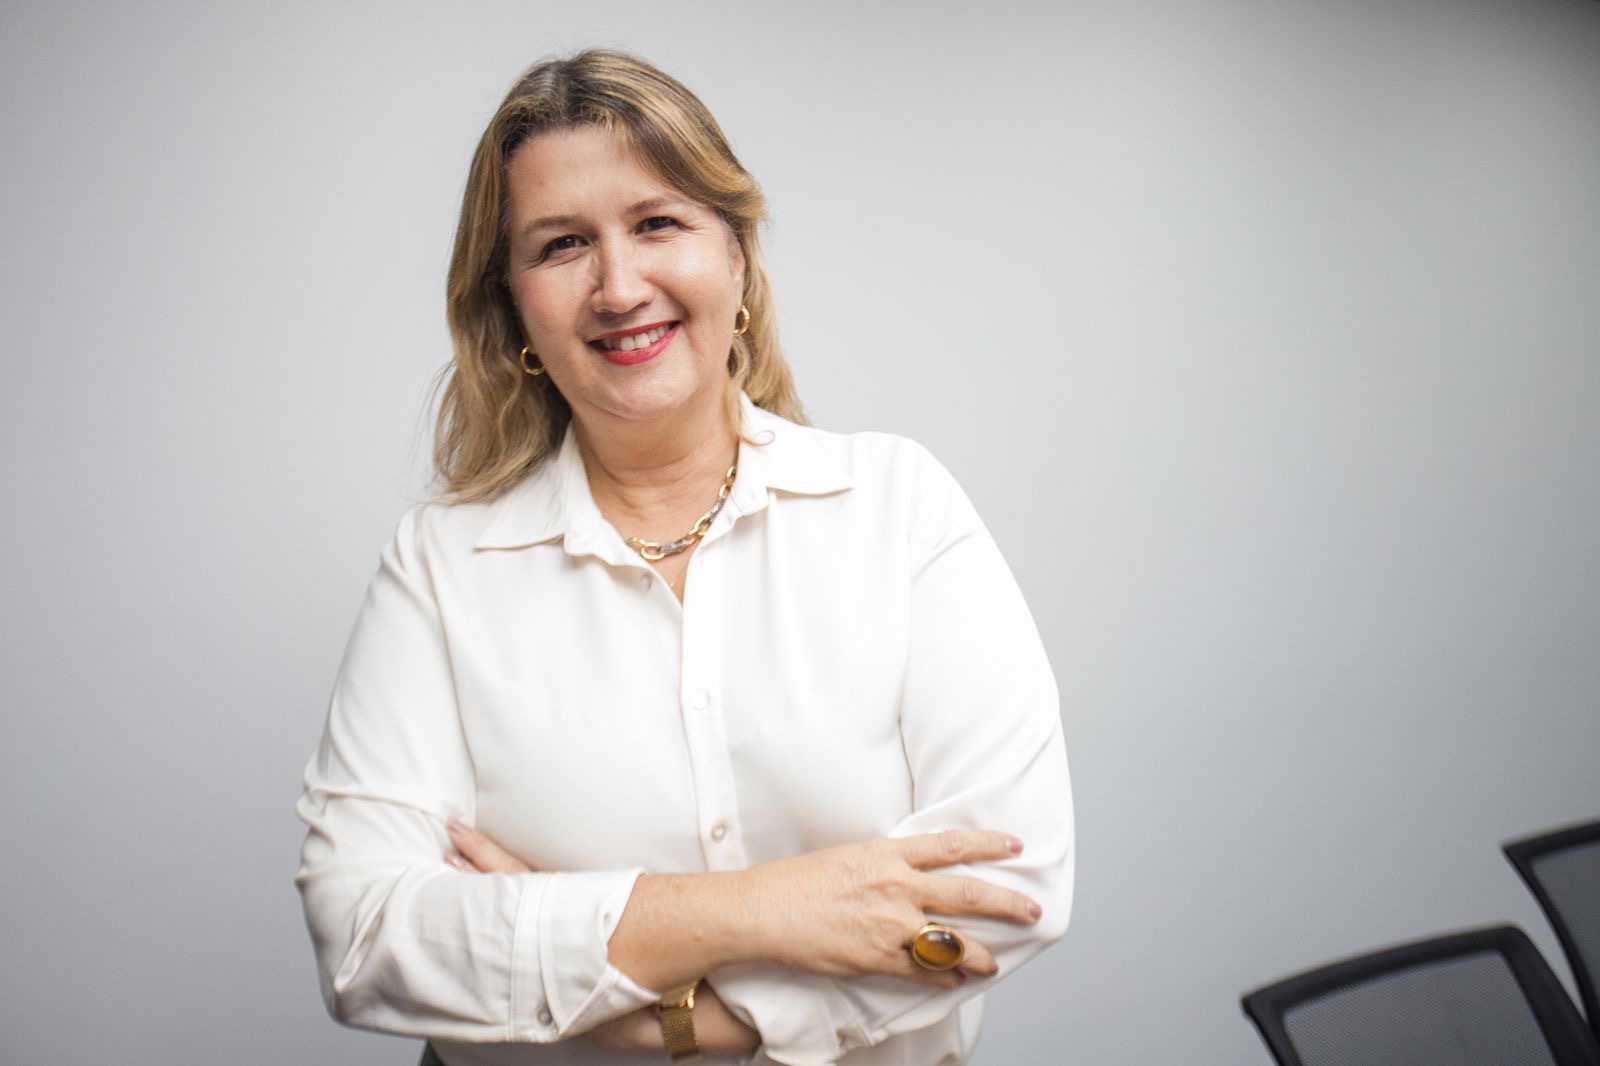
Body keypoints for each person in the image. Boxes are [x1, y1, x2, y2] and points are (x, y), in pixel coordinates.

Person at [295, 48, 1073, 1066]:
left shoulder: (897, 507)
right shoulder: (440, 568)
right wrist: (775, 905)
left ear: (735, 255)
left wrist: (645, 1007)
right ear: (513, 305)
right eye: (562, 245)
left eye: (658, 223)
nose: (619, 287)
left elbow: (1005, 884)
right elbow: (365, 935)